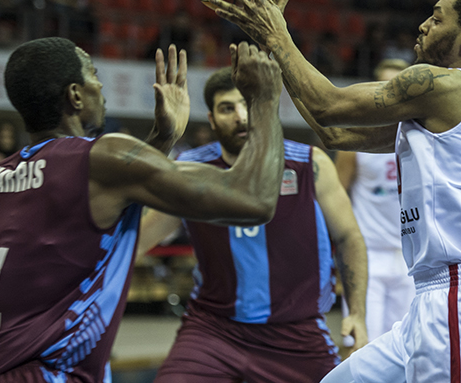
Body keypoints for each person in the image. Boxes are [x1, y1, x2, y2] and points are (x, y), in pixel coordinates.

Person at [211, 0, 461, 383]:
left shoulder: (442, 85)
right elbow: (335, 132)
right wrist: (275, 59)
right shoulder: (454, 102)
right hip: (438, 296)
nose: (423, 25)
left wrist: (275, 32)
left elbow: (328, 104)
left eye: (437, 18)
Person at [0, 37, 285, 382]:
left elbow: (97, 201)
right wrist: (264, 98)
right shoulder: (102, 157)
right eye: (93, 75)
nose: (101, 85)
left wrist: (162, 139)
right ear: (76, 96)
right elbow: (255, 201)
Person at [137, 66, 368, 383]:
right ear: (212, 118)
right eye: (227, 108)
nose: (240, 115)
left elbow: (349, 237)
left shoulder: (309, 164)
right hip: (214, 329)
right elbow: (138, 241)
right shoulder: (189, 169)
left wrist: (356, 313)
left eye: (247, 103)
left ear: (263, 105)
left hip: (296, 332)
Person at [334, 59, 415, 342]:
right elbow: (336, 198)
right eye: (385, 87)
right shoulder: (356, 141)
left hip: (411, 259)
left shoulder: (419, 137)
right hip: (367, 256)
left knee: (408, 349)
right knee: (360, 345)